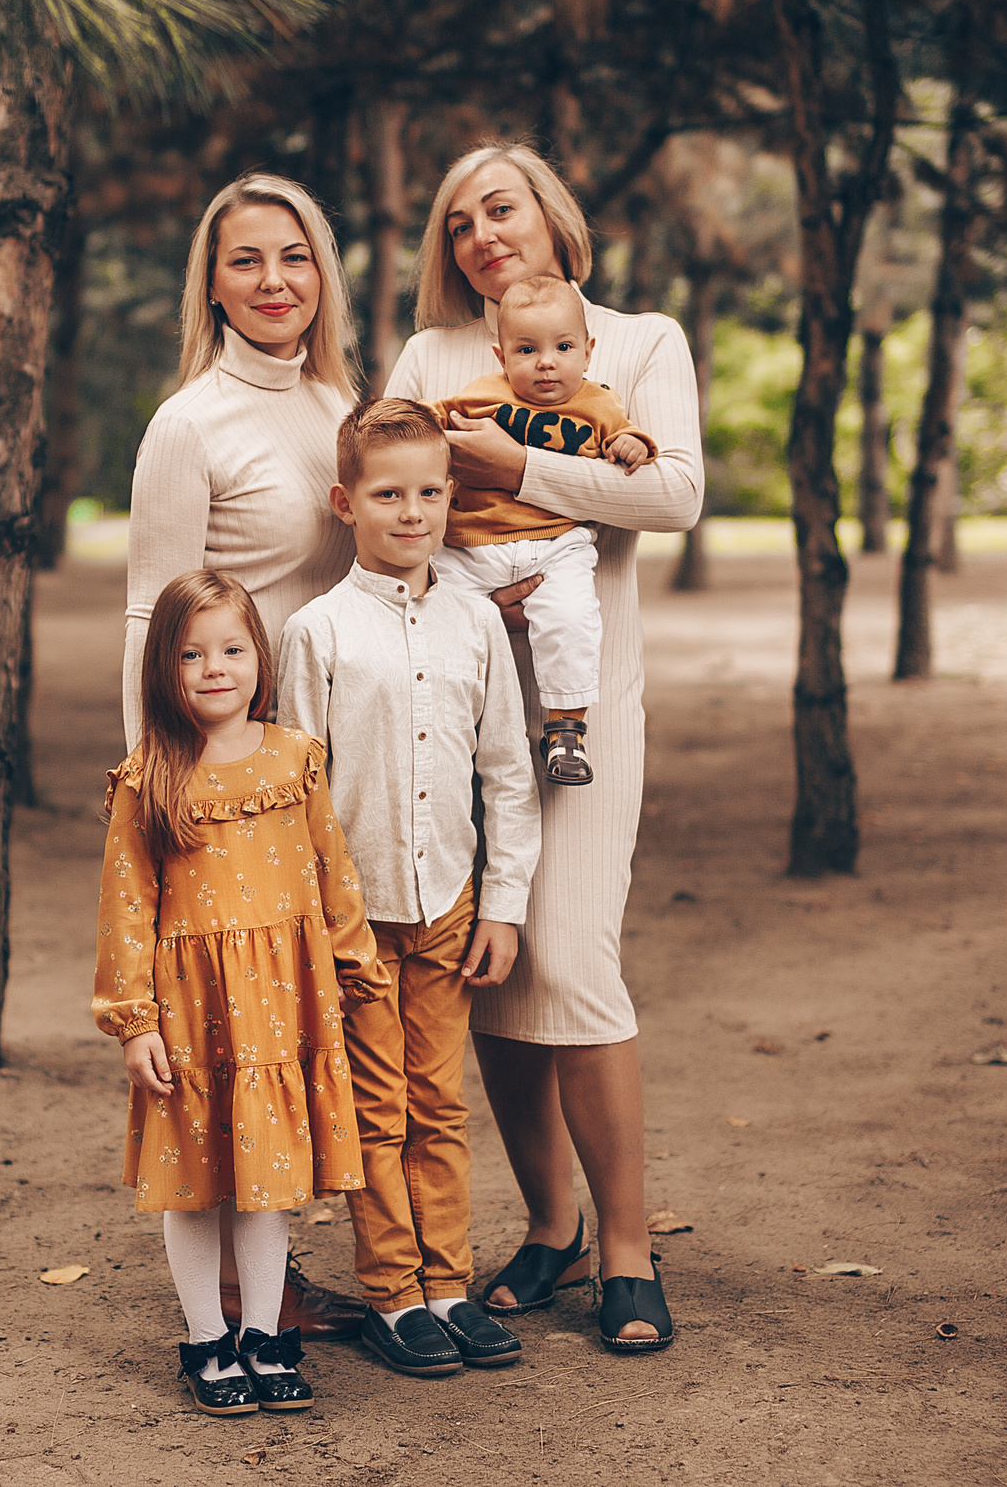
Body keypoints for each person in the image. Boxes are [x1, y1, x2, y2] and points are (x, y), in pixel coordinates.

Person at [384, 141, 703, 1353]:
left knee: (569, 963)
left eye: (499, 207)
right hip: (458, 710)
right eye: (457, 220)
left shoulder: (637, 343)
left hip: (580, 708)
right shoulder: (431, 359)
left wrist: (519, 466)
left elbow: (674, 494)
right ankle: (551, 1225)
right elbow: (395, 499)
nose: (480, 233)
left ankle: (631, 1250)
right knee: (492, 977)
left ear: (554, 216)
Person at [121, 172, 370, 1339]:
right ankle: (227, 1303)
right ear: (209, 284)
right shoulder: (190, 423)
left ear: (322, 271)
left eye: (295, 258)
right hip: (222, 787)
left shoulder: (340, 401)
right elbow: (148, 615)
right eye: (245, 262)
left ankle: (286, 1273)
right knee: (226, 1028)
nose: (274, 283)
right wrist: (154, 795)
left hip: (328, 759)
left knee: (301, 1020)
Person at [275, 399, 542, 1378]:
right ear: (347, 503)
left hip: (451, 910)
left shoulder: (475, 621)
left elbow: (507, 767)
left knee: (440, 1102)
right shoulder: (316, 632)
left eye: (431, 492)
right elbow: (298, 790)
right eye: (389, 494)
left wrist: (503, 905)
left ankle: (449, 1285)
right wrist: (315, 921)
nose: (413, 511)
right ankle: (393, 1294)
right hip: (357, 917)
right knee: (377, 1108)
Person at [93, 569, 388, 1415]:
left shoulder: (294, 758)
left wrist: (355, 967)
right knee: (195, 1179)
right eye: (191, 653)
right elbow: (125, 910)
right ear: (164, 668)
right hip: (189, 1011)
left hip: (281, 1005)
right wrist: (134, 1021)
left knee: (268, 1179)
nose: (214, 667)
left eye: (231, 648)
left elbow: (332, 872)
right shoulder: (149, 777)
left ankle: (265, 1333)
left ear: (259, 654)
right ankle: (205, 1338)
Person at [430, 273, 657, 785]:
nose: (546, 361)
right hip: (473, 542)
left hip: (557, 545)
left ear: (588, 350)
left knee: (572, 617)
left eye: (563, 346)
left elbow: (626, 437)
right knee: (440, 613)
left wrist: (633, 446)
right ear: (501, 356)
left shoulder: (600, 404)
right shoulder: (481, 395)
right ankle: (445, 718)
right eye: (527, 349)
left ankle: (566, 729)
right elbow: (428, 420)